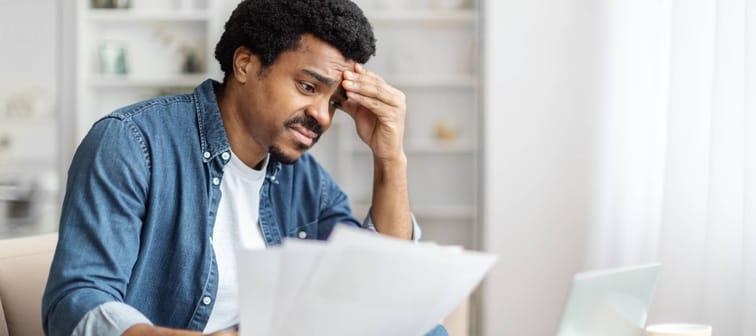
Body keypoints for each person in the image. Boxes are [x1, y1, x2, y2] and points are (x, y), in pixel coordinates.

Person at [42, 0, 448, 335]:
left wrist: (390, 157)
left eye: (334, 103)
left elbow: (383, 289)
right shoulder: (133, 143)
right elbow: (77, 306)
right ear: (245, 64)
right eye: (308, 87)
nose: (323, 116)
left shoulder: (301, 178)